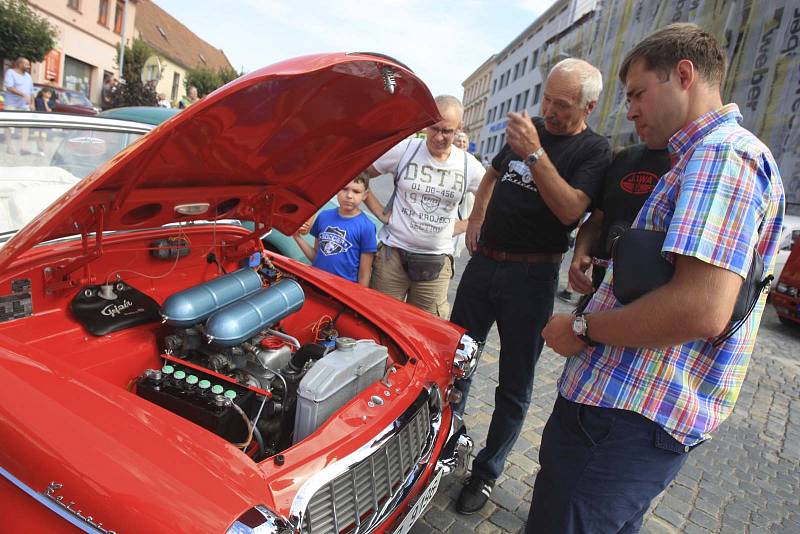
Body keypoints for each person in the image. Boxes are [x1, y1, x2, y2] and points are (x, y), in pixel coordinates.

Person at [527, 23, 784, 533]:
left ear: (684, 75)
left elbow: (701, 308)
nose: (631, 111)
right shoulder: (698, 158)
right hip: (627, 416)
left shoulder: (720, 157)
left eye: (639, 94)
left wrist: (579, 329)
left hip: (625, 415)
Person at [451, 57, 612, 515]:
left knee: (515, 383)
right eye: (546, 99)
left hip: (533, 275)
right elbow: (493, 175)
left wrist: (536, 153)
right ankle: (441, 444)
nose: (549, 111)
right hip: (485, 266)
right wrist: (477, 219)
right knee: (454, 361)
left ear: (589, 106)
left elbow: (570, 210)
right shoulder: (532, 129)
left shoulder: (593, 151)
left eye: (561, 104)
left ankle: (485, 472)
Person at [364, 95, 485, 317]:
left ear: (459, 128)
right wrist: (381, 213)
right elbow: (363, 174)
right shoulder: (405, 150)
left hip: (436, 264)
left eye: (447, 131)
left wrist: (466, 224)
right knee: (379, 322)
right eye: (433, 128)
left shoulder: (469, 165)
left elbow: (492, 198)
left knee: (423, 332)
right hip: (393, 257)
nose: (439, 137)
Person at [568, 143, 672, 307]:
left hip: (646, 304)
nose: (631, 116)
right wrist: (579, 255)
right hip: (599, 291)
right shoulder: (625, 157)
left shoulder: (687, 162)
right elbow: (596, 220)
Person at [292, 174, 377, 286]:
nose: (349, 195)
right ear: (336, 188)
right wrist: (296, 236)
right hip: (316, 282)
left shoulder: (367, 227)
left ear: (365, 195)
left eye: (356, 192)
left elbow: (364, 274)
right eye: (344, 189)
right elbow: (316, 256)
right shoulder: (324, 216)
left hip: (343, 290)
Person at [3, 57, 34, 154]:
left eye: (29, 64)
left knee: (25, 126)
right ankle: (9, 147)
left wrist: (32, 103)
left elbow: (31, 91)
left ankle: (23, 148)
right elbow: (9, 88)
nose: (28, 66)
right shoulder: (10, 73)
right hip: (11, 104)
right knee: (8, 125)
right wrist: (23, 95)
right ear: (19, 64)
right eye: (26, 64)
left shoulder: (28, 76)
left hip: (24, 106)